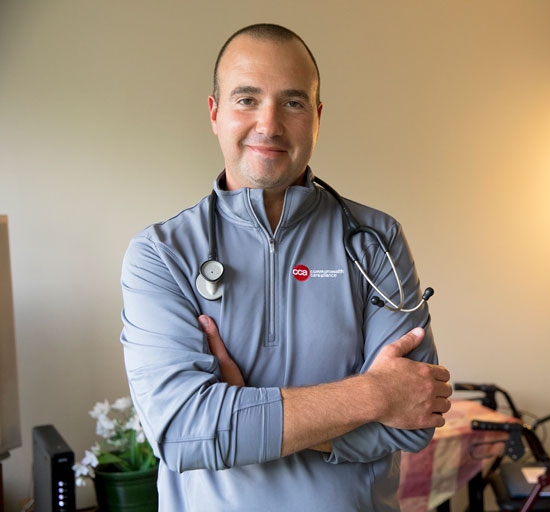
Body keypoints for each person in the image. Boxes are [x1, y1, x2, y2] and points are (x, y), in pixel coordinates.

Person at [120, 23, 450, 511]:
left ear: (317, 118)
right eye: (247, 99)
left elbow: (417, 415)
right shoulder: (161, 254)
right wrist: (375, 396)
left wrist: (241, 409)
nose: (269, 125)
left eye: (292, 103)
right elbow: (183, 432)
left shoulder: (376, 240)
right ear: (215, 113)